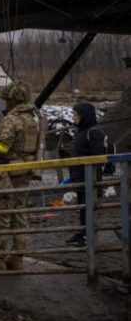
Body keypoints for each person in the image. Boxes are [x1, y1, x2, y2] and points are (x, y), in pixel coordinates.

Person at [0, 81, 40, 271]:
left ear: (12, 100)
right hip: (25, 172)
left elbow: (2, 146)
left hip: (8, 173)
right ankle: (17, 257)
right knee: (18, 213)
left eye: (6, 101)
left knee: (0, 213)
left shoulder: (11, 119)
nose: (4, 105)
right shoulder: (31, 119)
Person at [65, 101, 107, 247]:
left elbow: (97, 158)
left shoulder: (93, 132)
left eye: (76, 115)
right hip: (81, 178)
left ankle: (89, 236)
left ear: (84, 116)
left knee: (90, 209)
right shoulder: (81, 132)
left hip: (91, 179)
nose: (73, 117)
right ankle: (83, 232)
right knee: (83, 209)